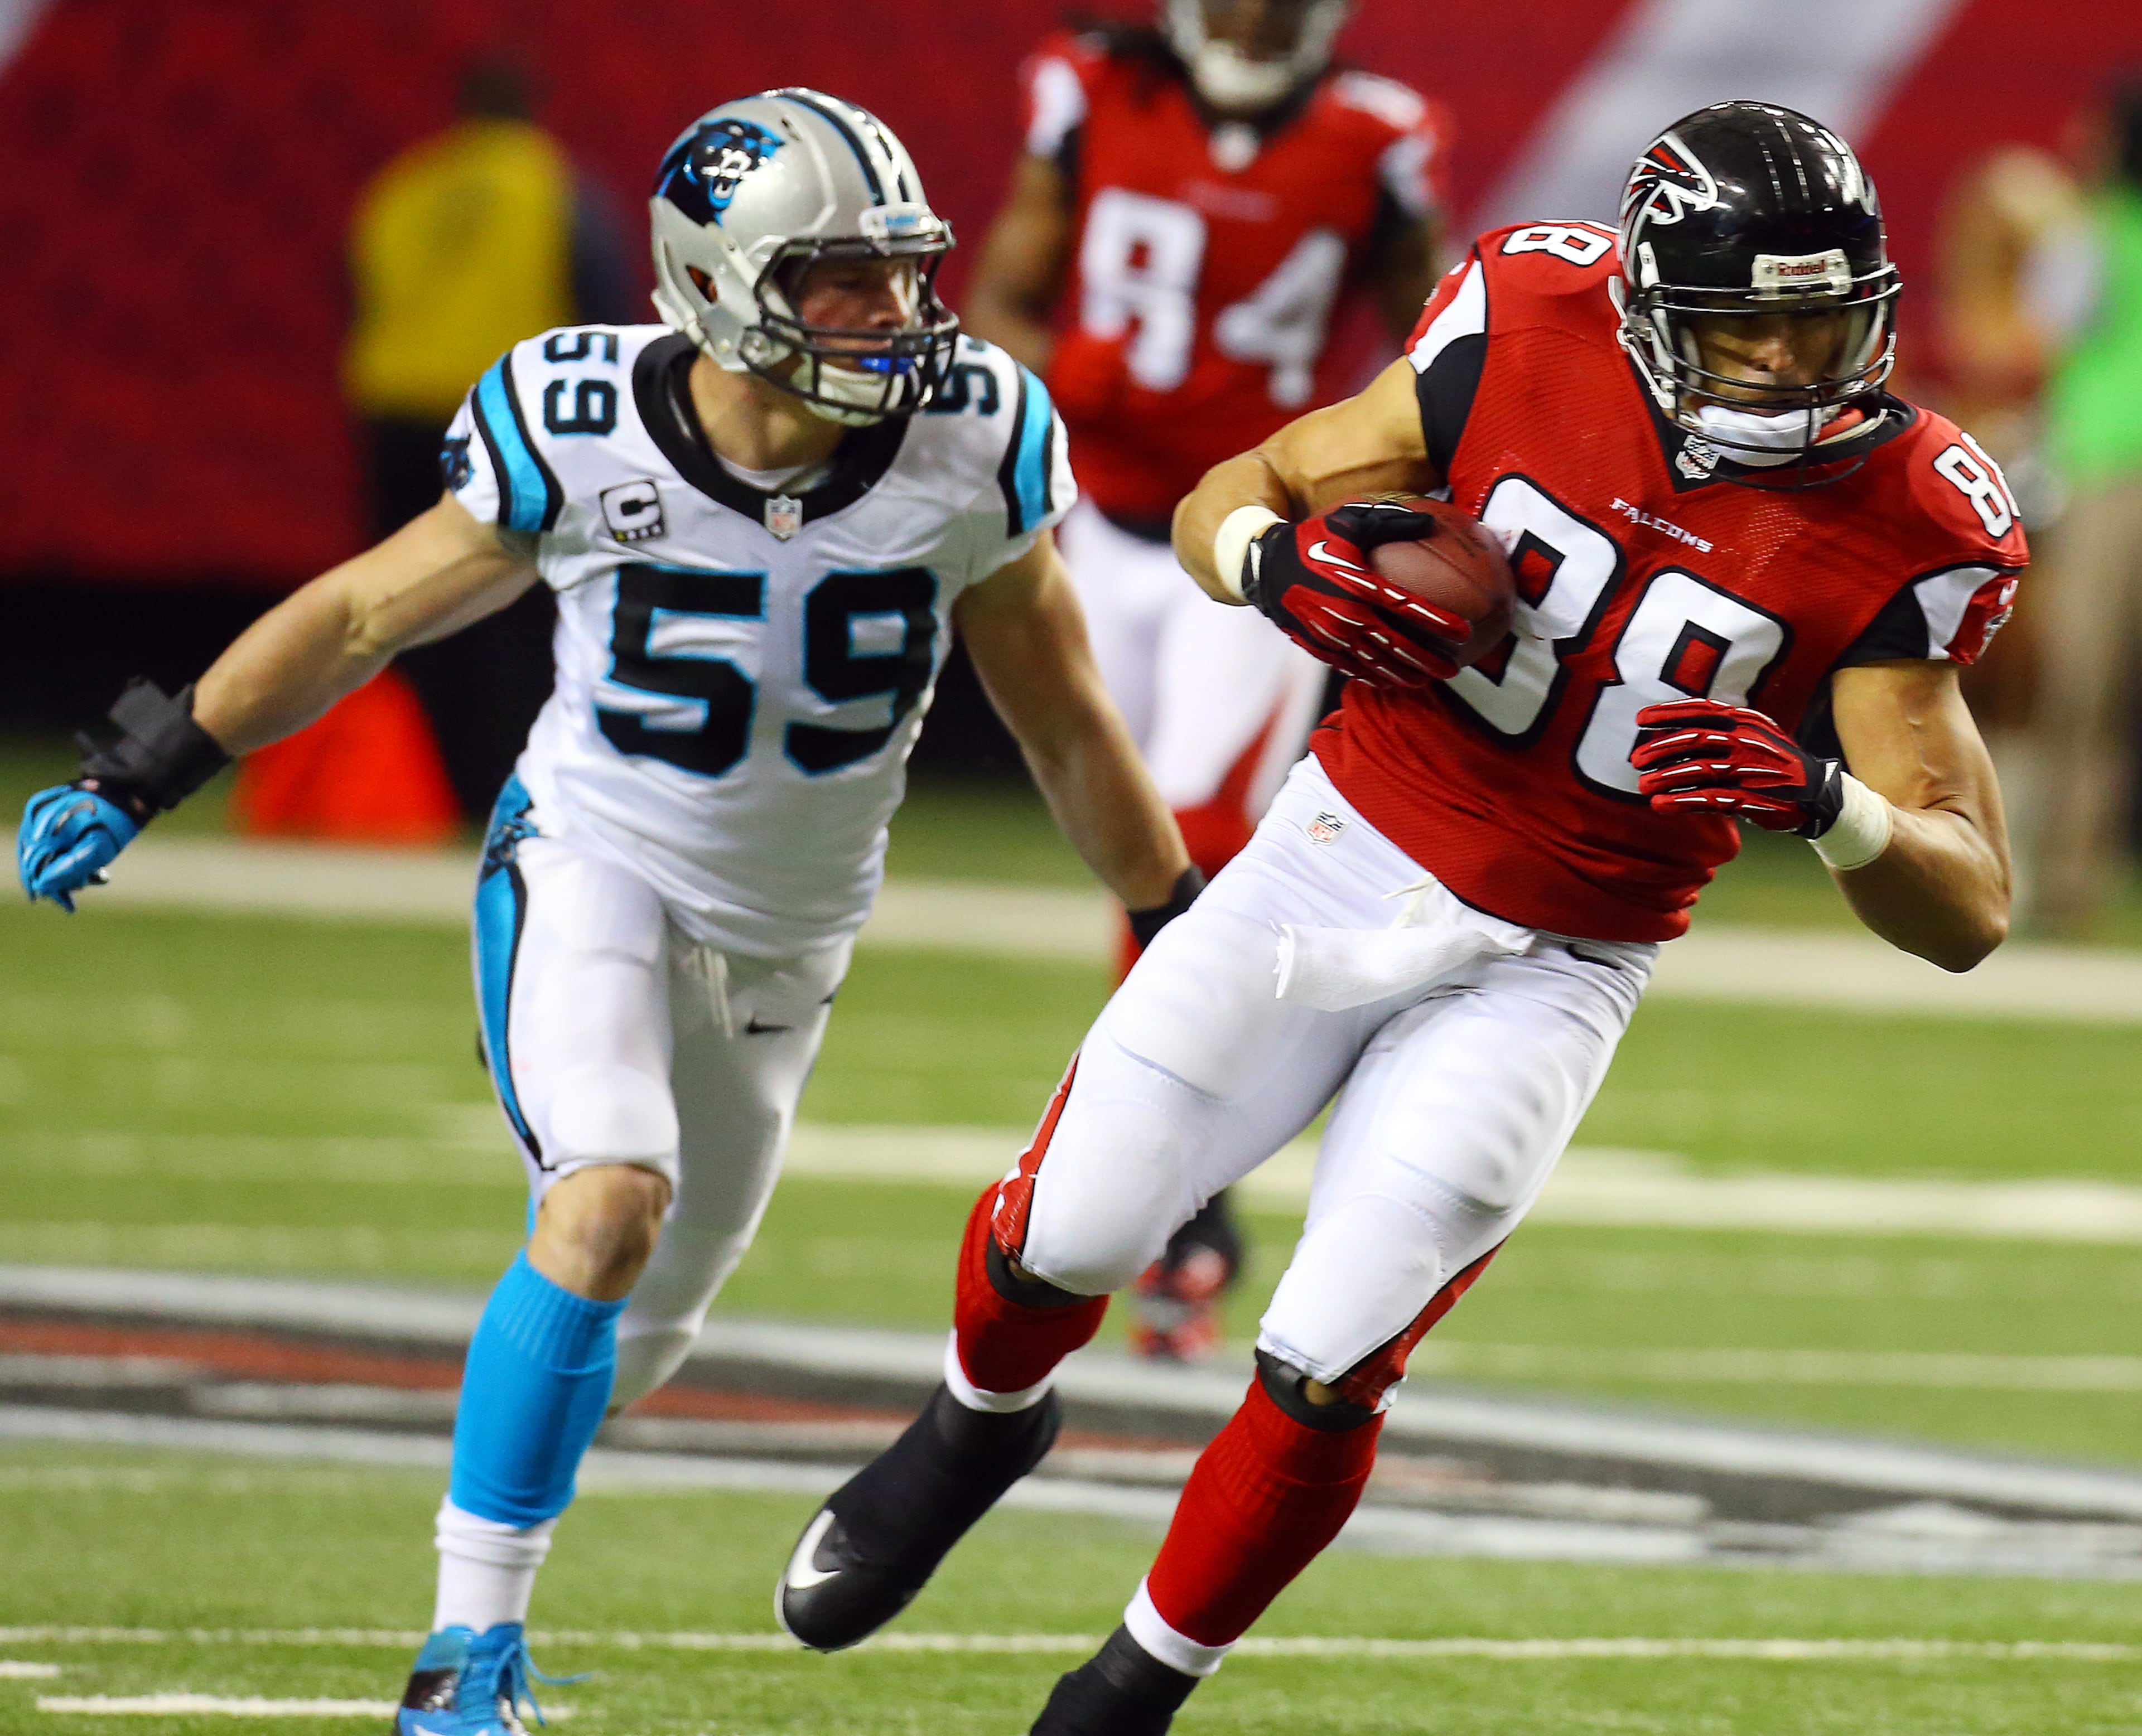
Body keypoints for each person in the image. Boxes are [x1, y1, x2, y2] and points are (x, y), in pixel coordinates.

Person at [774, 101, 2027, 1734]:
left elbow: (1970, 907)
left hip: (1562, 958)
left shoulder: (1915, 509)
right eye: (1749, 328)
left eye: (1826, 323)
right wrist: (1271, 567)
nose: (1796, 367)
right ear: (1649, 306)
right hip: (1338, 851)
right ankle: (973, 1425)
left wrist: (1828, 803)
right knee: (1065, 1232)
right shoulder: (1529, 317)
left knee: (1330, 1353)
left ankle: (1133, 1689)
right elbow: (1245, 488)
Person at [17, 89, 1193, 1736]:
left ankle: (523, 1432)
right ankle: (462, 1660)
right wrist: (151, 764)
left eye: (902, 273)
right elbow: (362, 614)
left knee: (635, 1345)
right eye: (844, 280)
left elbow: (1061, 717)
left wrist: (1174, 916)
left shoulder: (970, 438)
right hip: (593, 862)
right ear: (720, 284)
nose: (893, 313)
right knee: (608, 1197)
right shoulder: (581, 423)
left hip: (792, 941)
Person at [962, 0, 1449, 1358]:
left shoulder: (1378, 135)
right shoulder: (1092, 91)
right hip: (1091, 522)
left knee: (1198, 838)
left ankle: (1185, 1193)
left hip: (1247, 545)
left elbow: (1434, 351)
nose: (1257, 17)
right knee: (1134, 851)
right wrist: (1070, 377)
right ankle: (1159, 1164)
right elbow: (1000, 302)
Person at [342, 56, 635, 824]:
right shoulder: (554, 186)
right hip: (507, 421)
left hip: (397, 415)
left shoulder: (406, 185)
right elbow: (602, 304)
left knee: (400, 604)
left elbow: (357, 290)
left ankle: (406, 784)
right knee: (507, 610)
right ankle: (495, 783)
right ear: (534, 107)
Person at [2028, 80, 2142, 935]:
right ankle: (2073, 876)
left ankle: (2057, 879)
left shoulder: (2088, 232)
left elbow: (2038, 333)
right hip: (2111, 468)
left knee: (2081, 688)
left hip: (2110, 472)